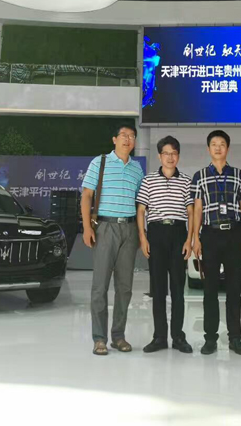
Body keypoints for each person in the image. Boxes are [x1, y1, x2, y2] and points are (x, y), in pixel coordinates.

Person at [80, 123, 144, 356]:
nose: (128, 139)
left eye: (132, 136)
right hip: (105, 228)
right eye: (124, 135)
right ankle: (99, 339)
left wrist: (141, 233)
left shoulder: (137, 169)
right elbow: (87, 196)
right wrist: (87, 227)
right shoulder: (100, 162)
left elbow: (140, 204)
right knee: (100, 287)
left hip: (130, 230)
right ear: (114, 140)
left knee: (124, 288)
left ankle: (118, 336)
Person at [192, 130, 241, 356]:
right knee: (210, 289)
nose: (218, 148)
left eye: (222, 144)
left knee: (234, 289)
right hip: (210, 235)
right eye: (214, 144)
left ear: (228, 148)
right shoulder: (199, 176)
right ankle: (210, 338)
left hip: (234, 234)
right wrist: (196, 237)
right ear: (208, 149)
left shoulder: (238, 174)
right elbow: (198, 209)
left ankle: (235, 338)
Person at [137, 136, 194, 354]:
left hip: (178, 233)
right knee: (158, 289)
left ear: (178, 156)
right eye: (166, 153)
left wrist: (189, 239)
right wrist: (143, 238)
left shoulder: (186, 181)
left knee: (178, 289)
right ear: (159, 156)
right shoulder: (149, 180)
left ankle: (178, 337)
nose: (170, 157)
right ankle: (159, 337)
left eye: (174, 153)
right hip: (156, 234)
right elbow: (141, 211)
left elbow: (191, 212)